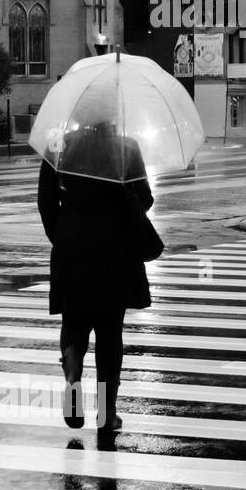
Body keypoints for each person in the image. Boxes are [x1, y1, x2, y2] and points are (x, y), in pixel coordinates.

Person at [37, 123, 154, 433]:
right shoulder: (125, 148)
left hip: (72, 246)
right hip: (114, 249)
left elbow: (46, 201)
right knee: (109, 332)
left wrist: (62, 236)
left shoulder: (59, 146)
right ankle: (106, 411)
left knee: (74, 321)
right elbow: (146, 199)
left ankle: (73, 372)